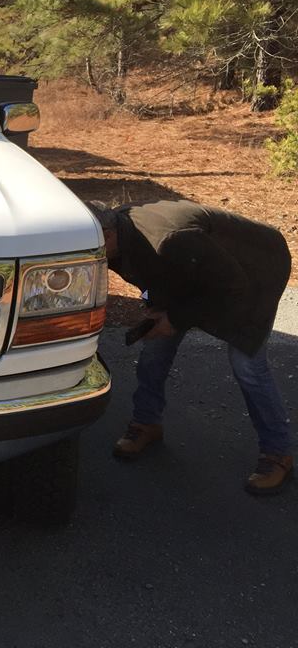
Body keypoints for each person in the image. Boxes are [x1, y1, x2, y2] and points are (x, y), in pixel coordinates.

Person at [88, 199, 293, 494]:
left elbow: (232, 287)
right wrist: (154, 306)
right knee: (154, 348)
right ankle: (147, 423)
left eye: (88, 247)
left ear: (106, 235)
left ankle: (278, 454)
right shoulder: (118, 236)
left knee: (247, 363)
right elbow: (151, 277)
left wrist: (177, 317)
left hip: (254, 269)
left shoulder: (167, 239)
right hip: (197, 270)